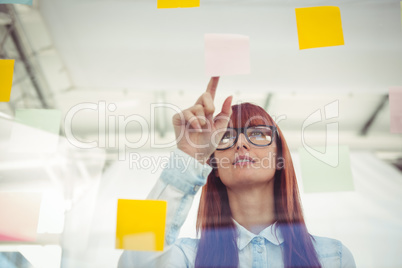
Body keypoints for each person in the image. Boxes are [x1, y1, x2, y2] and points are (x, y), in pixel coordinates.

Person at [118, 77, 356, 268]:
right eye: (226, 137)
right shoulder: (186, 256)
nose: (241, 143)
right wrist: (189, 155)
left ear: (279, 158)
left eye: (257, 133)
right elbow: (132, 256)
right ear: (215, 168)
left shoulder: (334, 257)